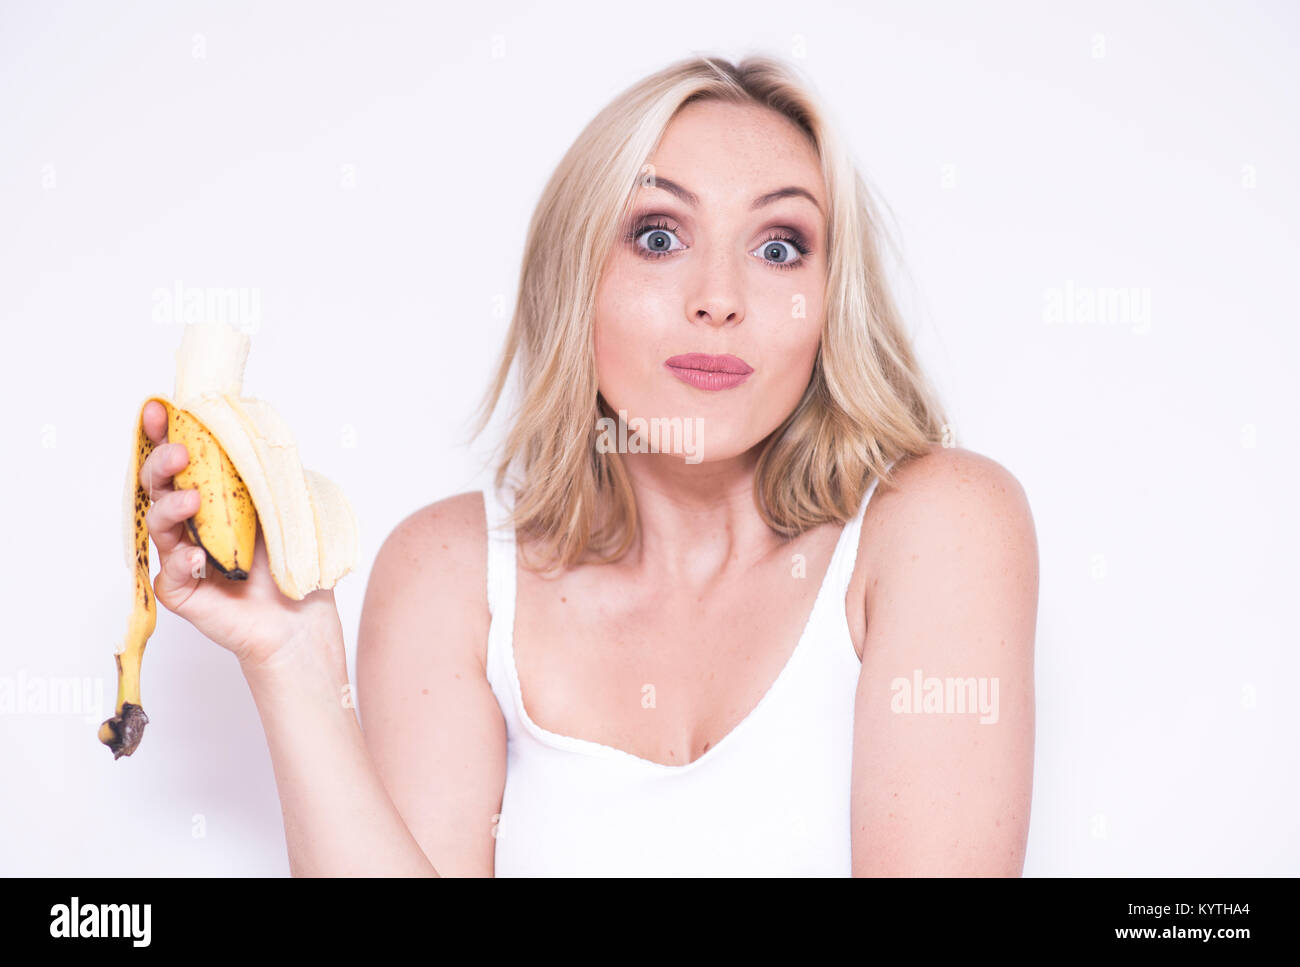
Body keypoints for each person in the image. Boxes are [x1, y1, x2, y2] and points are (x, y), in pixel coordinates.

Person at [137, 54, 1038, 876]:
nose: (718, 300)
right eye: (657, 236)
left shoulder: (939, 527)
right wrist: (293, 657)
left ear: (828, 302)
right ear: (576, 279)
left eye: (778, 247)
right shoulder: (452, 574)